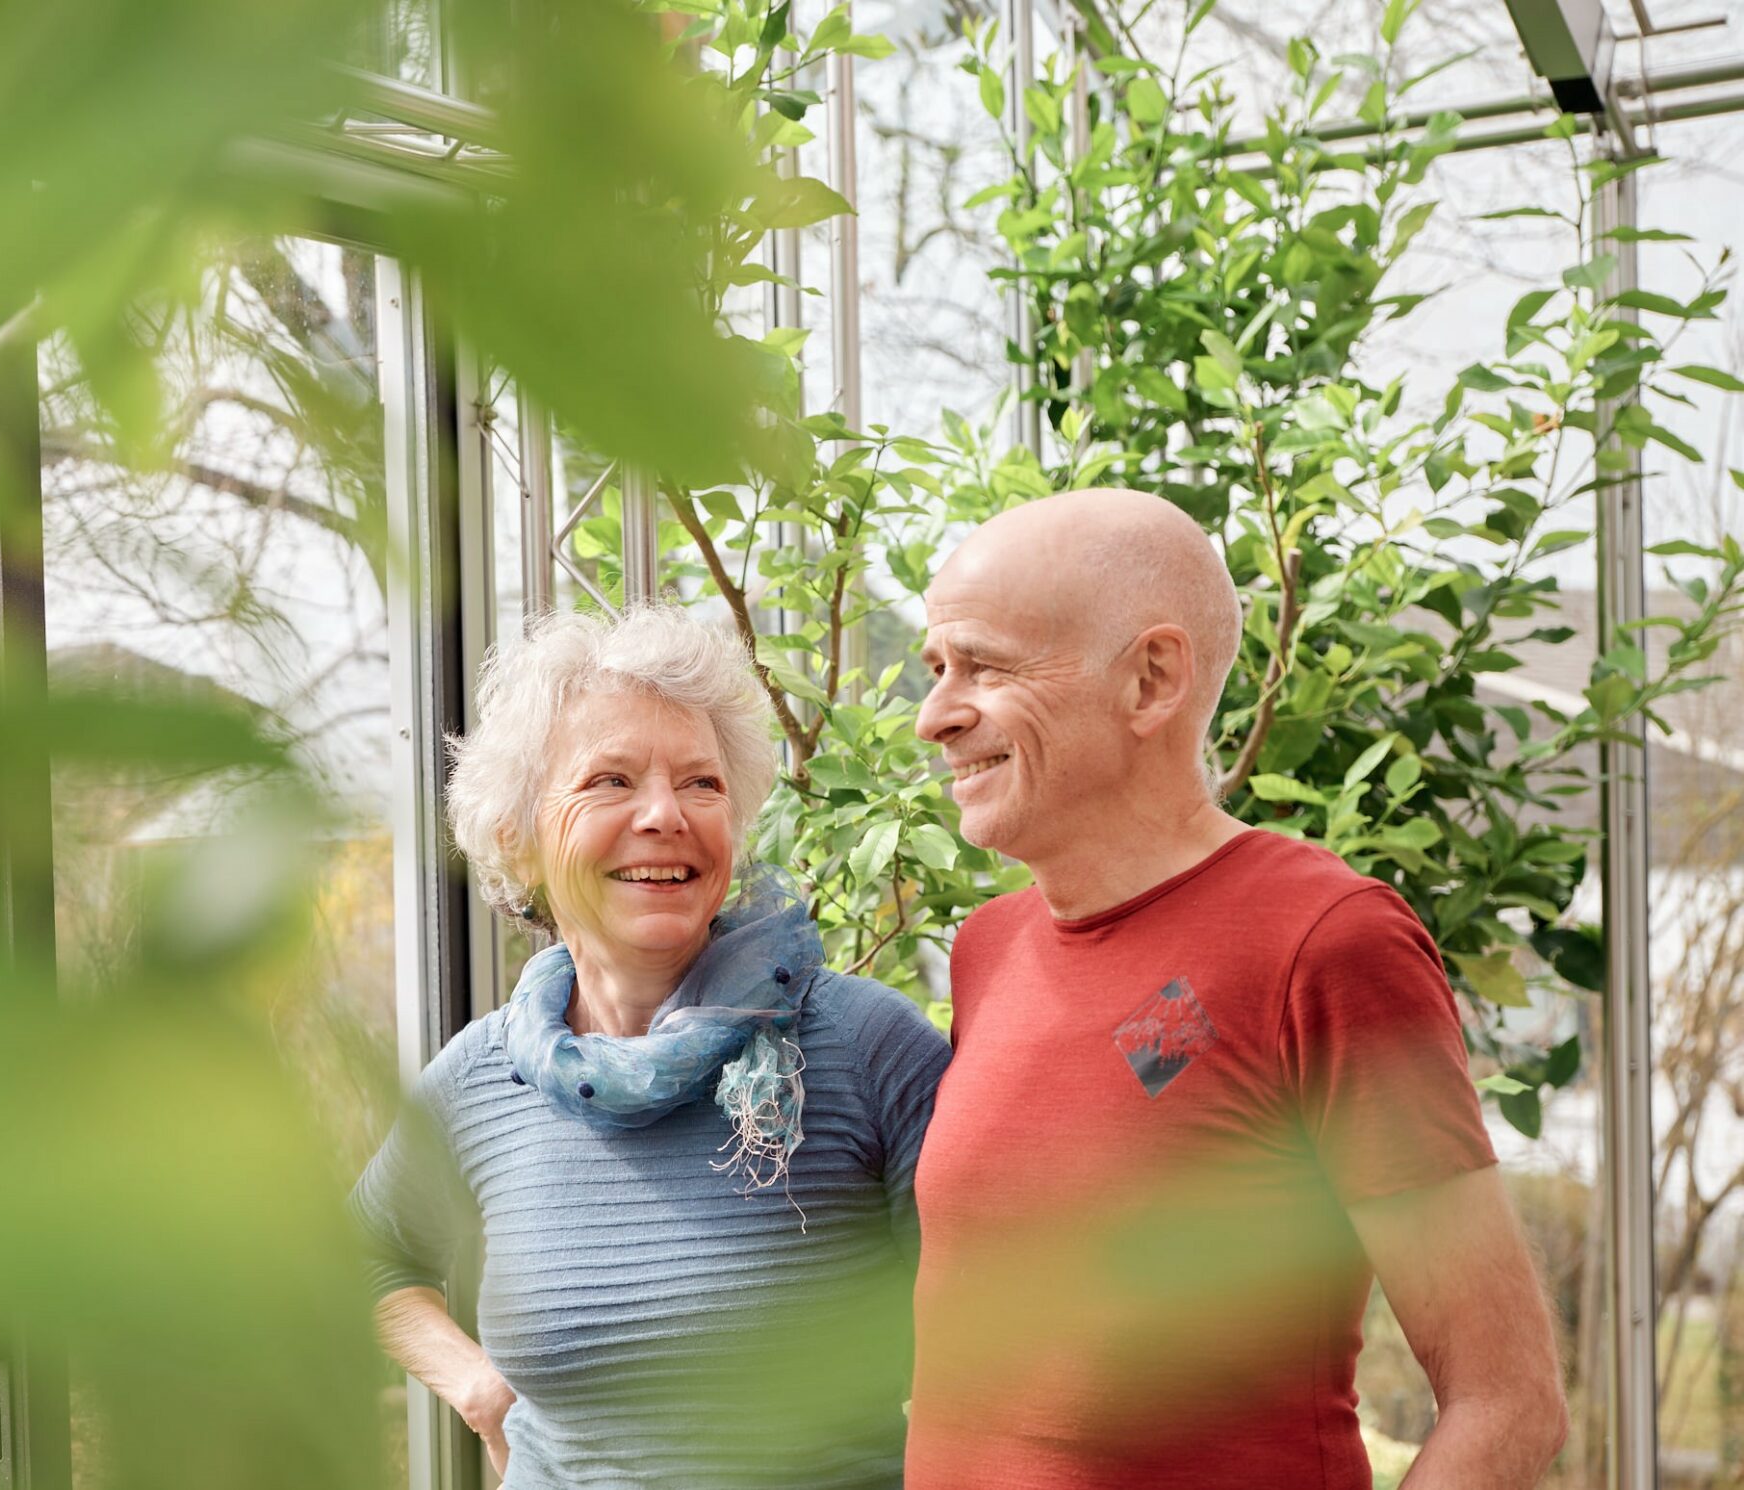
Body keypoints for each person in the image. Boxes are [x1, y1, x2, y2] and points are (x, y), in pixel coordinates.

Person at [903, 488, 1570, 1489]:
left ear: (1150, 679)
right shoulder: (987, 948)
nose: (933, 716)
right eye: (935, 669)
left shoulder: (1326, 943)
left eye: (984, 666)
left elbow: (1507, 1399)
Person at [352, 603, 950, 1488]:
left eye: (702, 784)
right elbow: (367, 1255)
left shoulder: (863, 1047)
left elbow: (1008, 1334)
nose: (666, 814)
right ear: (518, 842)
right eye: (610, 781)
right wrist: (477, 1386)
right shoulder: (482, 1078)